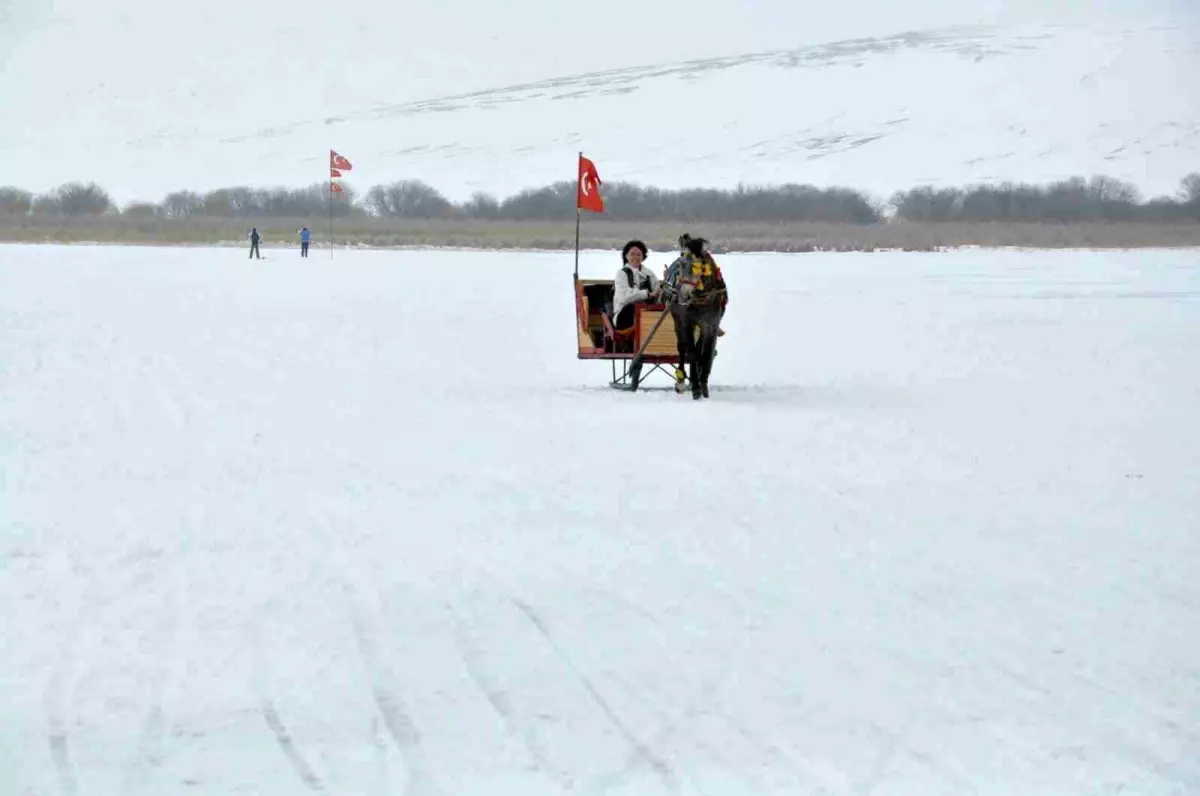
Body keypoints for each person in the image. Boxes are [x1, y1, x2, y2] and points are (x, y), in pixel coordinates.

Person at [611, 239, 660, 336]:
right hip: (624, 316)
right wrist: (646, 294)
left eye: (638, 255)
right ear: (626, 256)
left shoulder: (649, 275)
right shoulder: (621, 274)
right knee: (633, 307)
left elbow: (657, 291)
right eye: (632, 254)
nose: (635, 257)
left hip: (647, 313)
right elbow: (624, 296)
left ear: (643, 257)